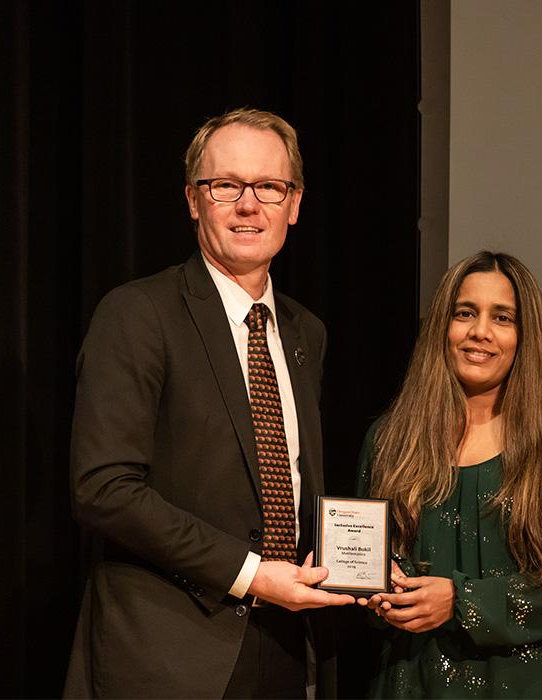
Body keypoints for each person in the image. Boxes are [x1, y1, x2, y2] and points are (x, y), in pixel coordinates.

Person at [64, 108, 355, 698]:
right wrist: (250, 575)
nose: (250, 205)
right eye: (226, 186)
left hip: (288, 644)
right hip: (170, 656)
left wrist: (361, 565)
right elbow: (104, 488)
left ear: (294, 204)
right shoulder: (138, 314)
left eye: (270, 187)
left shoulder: (306, 332)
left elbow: (292, 482)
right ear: (194, 201)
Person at [355, 251, 542, 698]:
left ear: (525, 337)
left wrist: (461, 602)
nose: (480, 332)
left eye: (503, 318)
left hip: (534, 684)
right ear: (443, 327)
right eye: (465, 313)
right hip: (416, 679)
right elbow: (363, 563)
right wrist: (381, 593)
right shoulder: (391, 439)